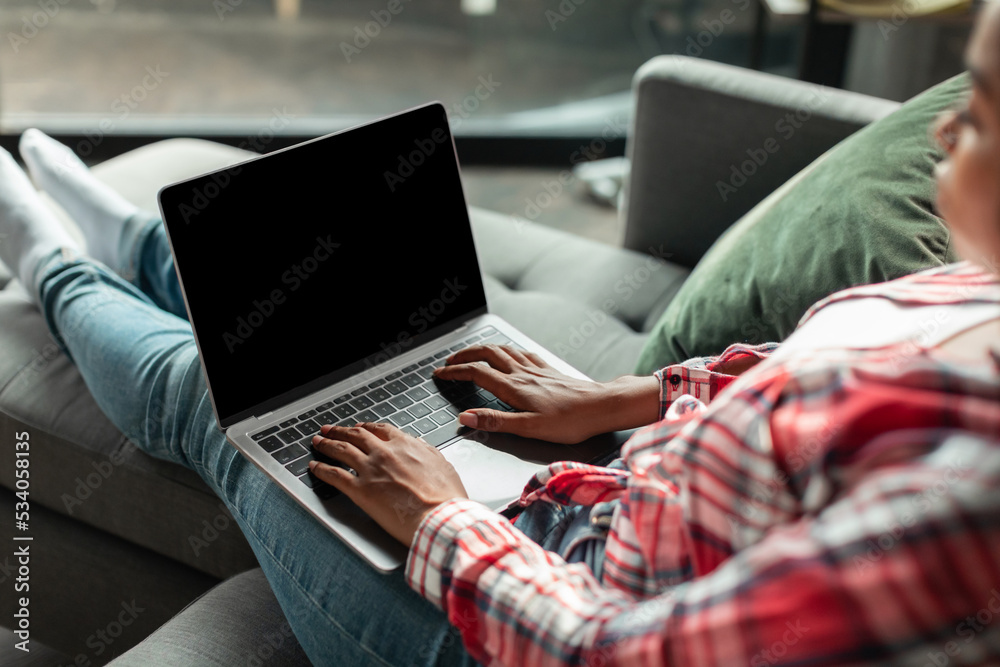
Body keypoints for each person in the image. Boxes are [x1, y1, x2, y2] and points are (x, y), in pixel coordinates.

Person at [3, 4, 1000, 661]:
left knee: (225, 406)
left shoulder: (966, 488)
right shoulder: (980, 289)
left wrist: (441, 518)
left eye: (985, 109)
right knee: (295, 326)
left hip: (522, 627)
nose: (948, 130)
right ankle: (130, 235)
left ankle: (47, 261)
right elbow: (803, 370)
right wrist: (631, 396)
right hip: (603, 507)